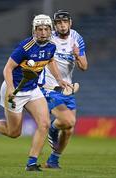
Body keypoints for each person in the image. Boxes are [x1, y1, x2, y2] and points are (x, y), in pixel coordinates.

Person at [0, 14, 71, 171]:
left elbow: (50, 60)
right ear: (34, 30)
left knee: (45, 123)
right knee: (14, 132)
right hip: (15, 90)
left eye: (46, 29)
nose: (43, 32)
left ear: (50, 30)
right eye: (39, 29)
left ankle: (32, 163)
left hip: (33, 90)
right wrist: (10, 88)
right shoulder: (25, 47)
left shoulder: (51, 46)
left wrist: (59, 79)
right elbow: (7, 68)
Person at [38, 10, 88, 168]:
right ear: (55, 25)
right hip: (50, 88)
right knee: (68, 121)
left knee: (69, 129)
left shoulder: (77, 38)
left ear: (70, 23)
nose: (62, 25)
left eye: (65, 22)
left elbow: (84, 67)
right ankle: (52, 129)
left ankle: (53, 161)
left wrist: (77, 55)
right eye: (59, 23)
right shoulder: (49, 38)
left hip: (68, 89)